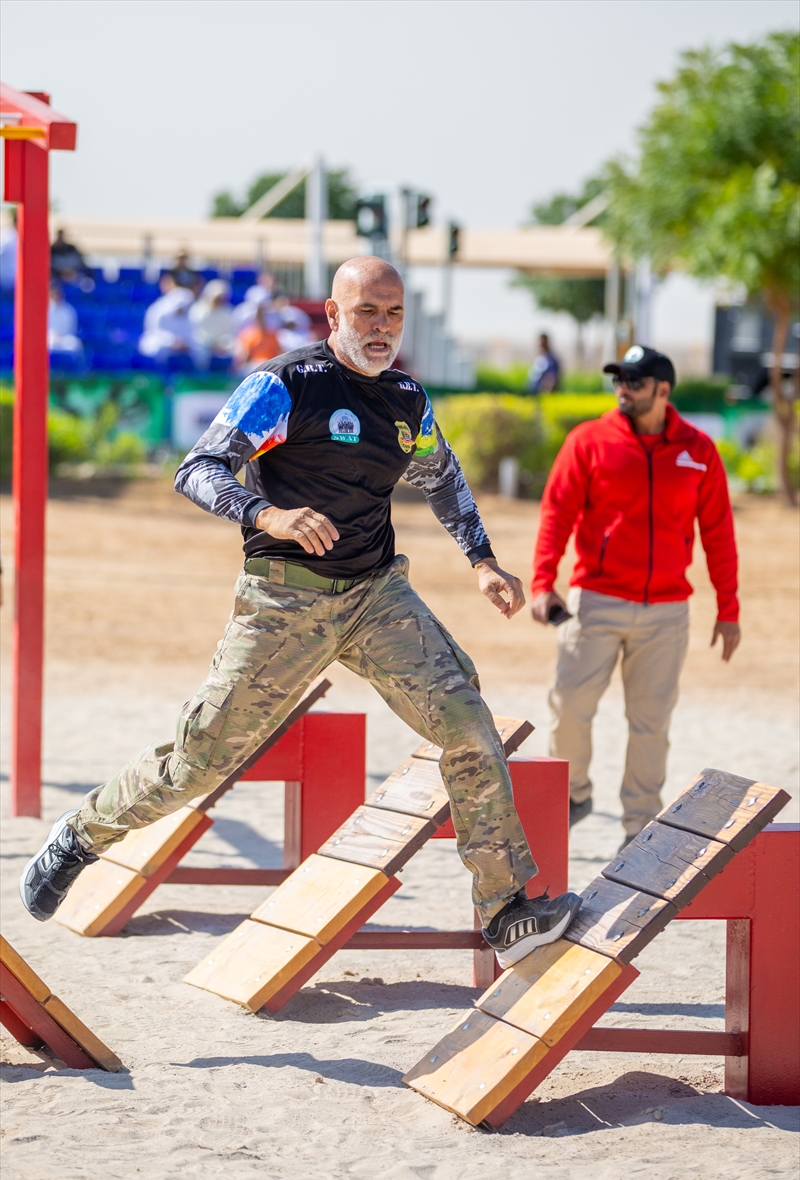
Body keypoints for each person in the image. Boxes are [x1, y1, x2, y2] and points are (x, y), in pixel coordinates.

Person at [20, 256, 582, 967]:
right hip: (282, 599)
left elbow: (441, 475)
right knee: (198, 763)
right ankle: (82, 834)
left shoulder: (407, 399)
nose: (381, 328)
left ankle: (504, 913)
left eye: (394, 314)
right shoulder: (285, 384)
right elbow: (197, 468)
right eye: (367, 312)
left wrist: (481, 559)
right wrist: (269, 514)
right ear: (333, 314)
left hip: (376, 595)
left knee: (469, 724)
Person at [530, 344, 740, 847]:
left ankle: (638, 834)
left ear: (663, 391)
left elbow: (718, 533)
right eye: (618, 380)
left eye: (635, 381)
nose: (623, 389)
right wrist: (543, 584)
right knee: (570, 706)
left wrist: (728, 609)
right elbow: (556, 514)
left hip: (667, 614)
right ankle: (575, 793)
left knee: (651, 726)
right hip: (595, 602)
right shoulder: (589, 441)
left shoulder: (699, 450)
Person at [138, 273, 199, 365]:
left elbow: (192, 332)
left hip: (183, 346)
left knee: (200, 351)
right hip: (161, 344)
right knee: (158, 349)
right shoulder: (158, 309)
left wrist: (185, 343)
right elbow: (155, 332)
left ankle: (198, 376)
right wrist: (172, 342)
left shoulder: (189, 314)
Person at [190, 279, 236, 365]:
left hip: (222, 345)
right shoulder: (198, 310)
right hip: (203, 345)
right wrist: (211, 344)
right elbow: (196, 333)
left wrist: (223, 344)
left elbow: (230, 333)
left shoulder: (227, 311)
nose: (219, 300)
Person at [234, 301, 282, 374]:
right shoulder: (248, 334)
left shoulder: (273, 335)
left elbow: (279, 353)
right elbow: (244, 356)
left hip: (270, 365)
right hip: (253, 366)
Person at [47, 282, 83, 360]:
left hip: (64, 338)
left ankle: (77, 369)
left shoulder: (68, 309)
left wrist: (60, 336)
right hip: (48, 337)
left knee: (75, 344)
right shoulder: (45, 308)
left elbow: (71, 328)